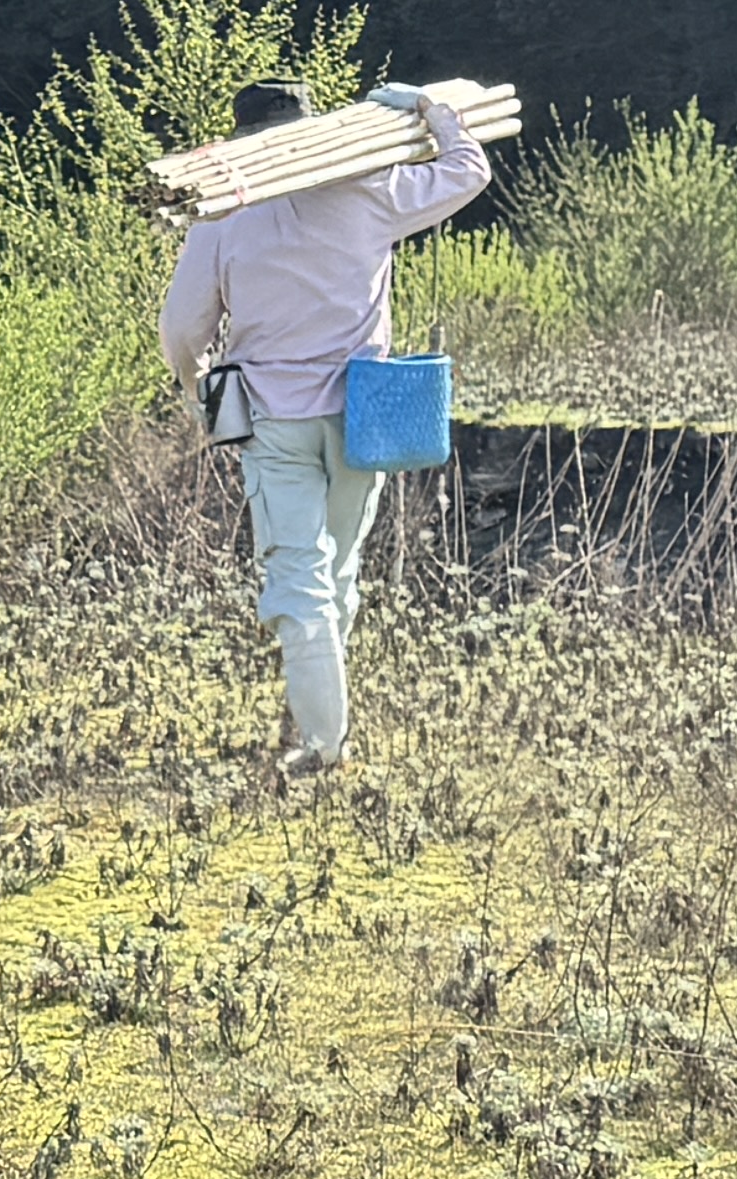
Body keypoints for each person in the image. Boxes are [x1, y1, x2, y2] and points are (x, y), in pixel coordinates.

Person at [158, 76, 490, 769]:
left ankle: (320, 746)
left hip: (270, 419)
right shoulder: (370, 192)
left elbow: (183, 331)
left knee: (298, 577)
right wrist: (434, 111)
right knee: (337, 572)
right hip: (364, 416)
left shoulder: (222, 216)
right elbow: (468, 169)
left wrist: (199, 395)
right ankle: (314, 720)